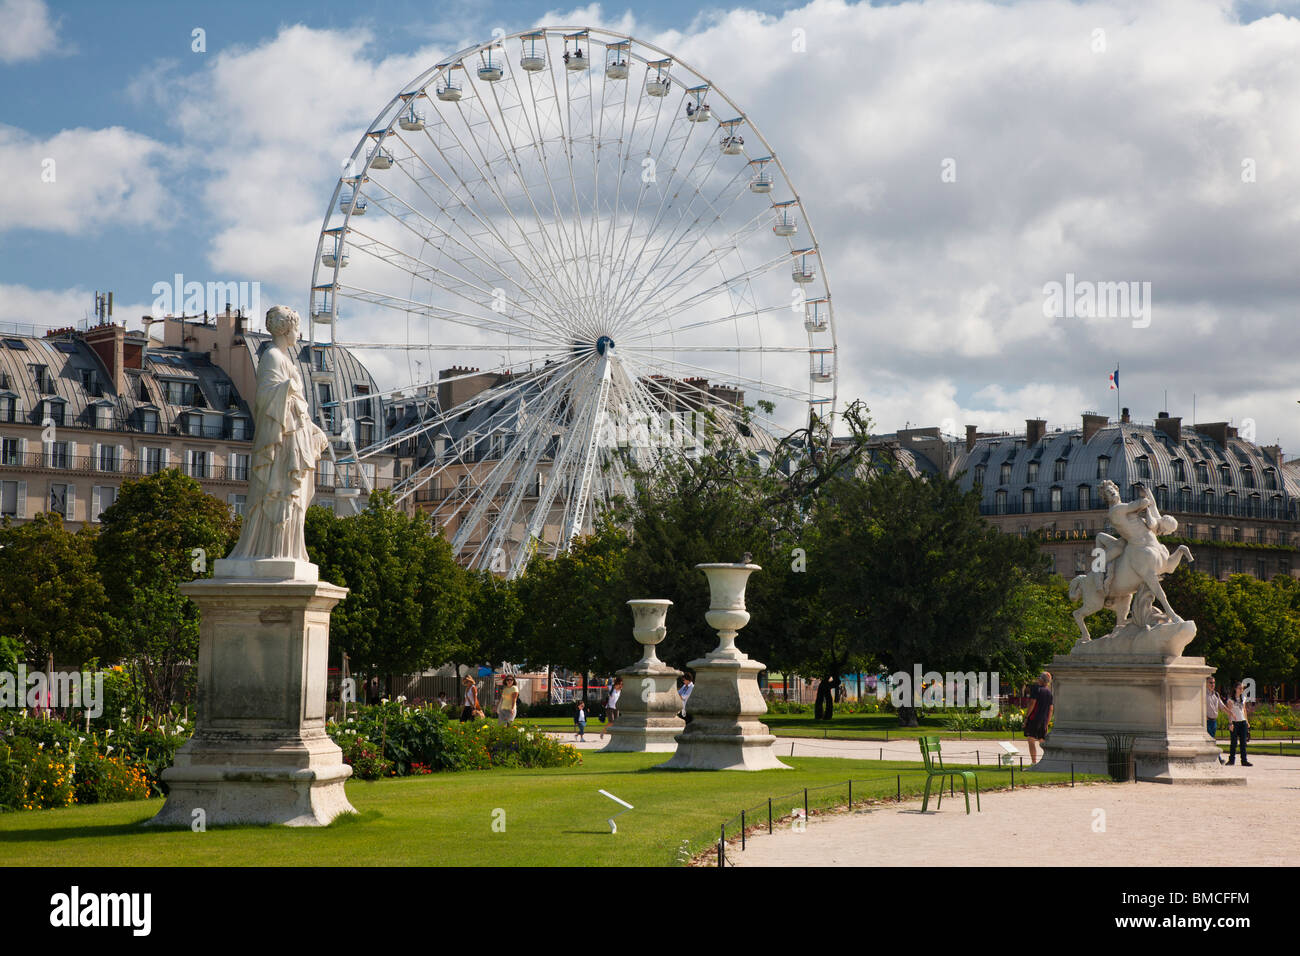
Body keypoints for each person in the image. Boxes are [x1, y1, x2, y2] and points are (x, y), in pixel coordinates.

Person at [1023, 672, 1053, 764]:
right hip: (1043, 720)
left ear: (1041, 680)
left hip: (1034, 718)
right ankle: (1049, 759)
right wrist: (1047, 723)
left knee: (1031, 739)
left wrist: (1026, 716)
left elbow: (1032, 703)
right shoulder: (1049, 692)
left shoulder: (1036, 689)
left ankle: (1034, 761)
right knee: (1042, 740)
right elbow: (1051, 709)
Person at [1224, 681, 1252, 766]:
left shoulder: (1243, 698)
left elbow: (1244, 710)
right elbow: (1229, 712)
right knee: (1234, 742)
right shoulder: (1230, 700)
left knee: (1243, 743)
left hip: (1242, 722)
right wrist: (1230, 723)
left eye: (1242, 688)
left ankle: (1244, 760)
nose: (1241, 690)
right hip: (1235, 723)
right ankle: (1231, 760)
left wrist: (1247, 721)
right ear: (1235, 689)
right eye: (1240, 688)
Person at [1206, 677, 1225, 764]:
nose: (1212, 684)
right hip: (1207, 721)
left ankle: (1214, 757)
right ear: (1206, 683)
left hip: (1214, 721)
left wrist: (1230, 713)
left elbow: (1222, 706)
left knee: (1211, 740)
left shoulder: (1216, 694)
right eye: (1210, 683)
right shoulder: (1203, 694)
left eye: (1213, 683)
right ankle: (1218, 758)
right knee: (1211, 740)